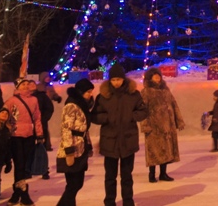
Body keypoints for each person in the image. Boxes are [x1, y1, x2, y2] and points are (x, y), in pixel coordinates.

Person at [91, 64, 148, 206]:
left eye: (119, 79)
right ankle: (109, 201)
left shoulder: (133, 94)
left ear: (123, 79)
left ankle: (128, 201)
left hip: (128, 140)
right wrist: (107, 118)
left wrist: (132, 116)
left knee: (127, 176)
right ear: (109, 80)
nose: (116, 82)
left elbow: (143, 111)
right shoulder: (103, 96)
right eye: (113, 79)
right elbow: (95, 116)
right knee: (110, 176)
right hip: (110, 141)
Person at [3, 77, 43, 205]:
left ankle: (17, 193)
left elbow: (37, 118)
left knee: (25, 166)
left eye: (27, 84)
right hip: (16, 137)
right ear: (17, 87)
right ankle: (23, 194)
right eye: (23, 84)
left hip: (29, 135)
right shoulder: (11, 101)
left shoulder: (34, 100)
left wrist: (40, 134)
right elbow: (3, 116)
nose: (26, 86)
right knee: (19, 165)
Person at [141, 67, 185, 182]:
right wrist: (145, 125)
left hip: (167, 126)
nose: (157, 77)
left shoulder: (166, 90)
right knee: (153, 152)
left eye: (158, 75)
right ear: (149, 78)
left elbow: (174, 105)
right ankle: (151, 174)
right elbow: (142, 110)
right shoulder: (146, 92)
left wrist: (178, 120)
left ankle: (163, 174)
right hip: (153, 127)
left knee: (165, 150)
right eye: (154, 76)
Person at [56, 78, 95, 206]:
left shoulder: (81, 105)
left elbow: (84, 129)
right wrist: (69, 152)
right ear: (80, 92)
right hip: (73, 148)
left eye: (91, 91)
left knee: (76, 184)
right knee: (74, 184)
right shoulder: (71, 105)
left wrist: (88, 146)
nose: (90, 94)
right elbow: (66, 129)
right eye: (88, 92)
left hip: (81, 147)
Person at [28, 80, 52, 179]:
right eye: (29, 84)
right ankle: (29, 169)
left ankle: (44, 170)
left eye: (33, 84)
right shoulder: (25, 97)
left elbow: (49, 108)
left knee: (42, 148)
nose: (32, 86)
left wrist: (43, 119)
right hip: (28, 126)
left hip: (41, 126)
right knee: (29, 148)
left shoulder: (42, 96)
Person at [36, 72, 62, 152]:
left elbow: (53, 94)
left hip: (47, 108)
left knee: (45, 127)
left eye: (48, 77)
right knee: (41, 127)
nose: (48, 79)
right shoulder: (38, 87)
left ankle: (47, 144)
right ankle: (41, 144)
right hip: (40, 108)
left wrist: (57, 98)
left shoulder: (50, 87)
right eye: (46, 77)